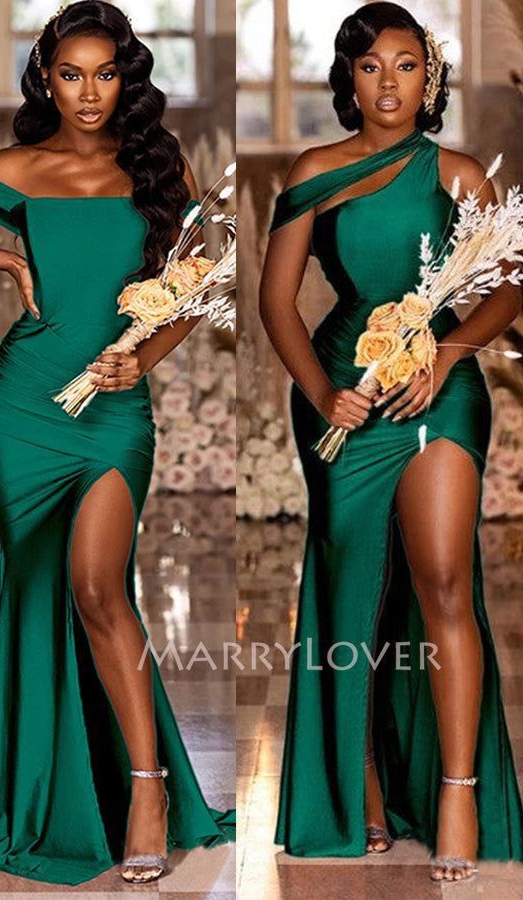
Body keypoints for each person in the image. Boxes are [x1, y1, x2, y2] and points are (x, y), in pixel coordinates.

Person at [0, 0, 234, 887]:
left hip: (114, 412)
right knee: (38, 590)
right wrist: (6, 261)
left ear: (126, 76)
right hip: (18, 411)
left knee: (100, 586)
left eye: (105, 73)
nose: (89, 92)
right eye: (70, 74)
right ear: (45, 78)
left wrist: (145, 359)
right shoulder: (16, 168)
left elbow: (184, 282)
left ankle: (145, 787)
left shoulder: (156, 164)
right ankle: (54, 791)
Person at [259, 1, 523, 884]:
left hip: (437, 389)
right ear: (348, 78)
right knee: (356, 595)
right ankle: (360, 780)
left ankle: (456, 787)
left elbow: (506, 288)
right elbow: (275, 301)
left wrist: (448, 356)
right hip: (345, 396)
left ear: (431, 77)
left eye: (406, 65)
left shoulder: (457, 176)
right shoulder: (314, 171)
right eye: (370, 66)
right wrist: (321, 390)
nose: (389, 83)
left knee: (444, 577)